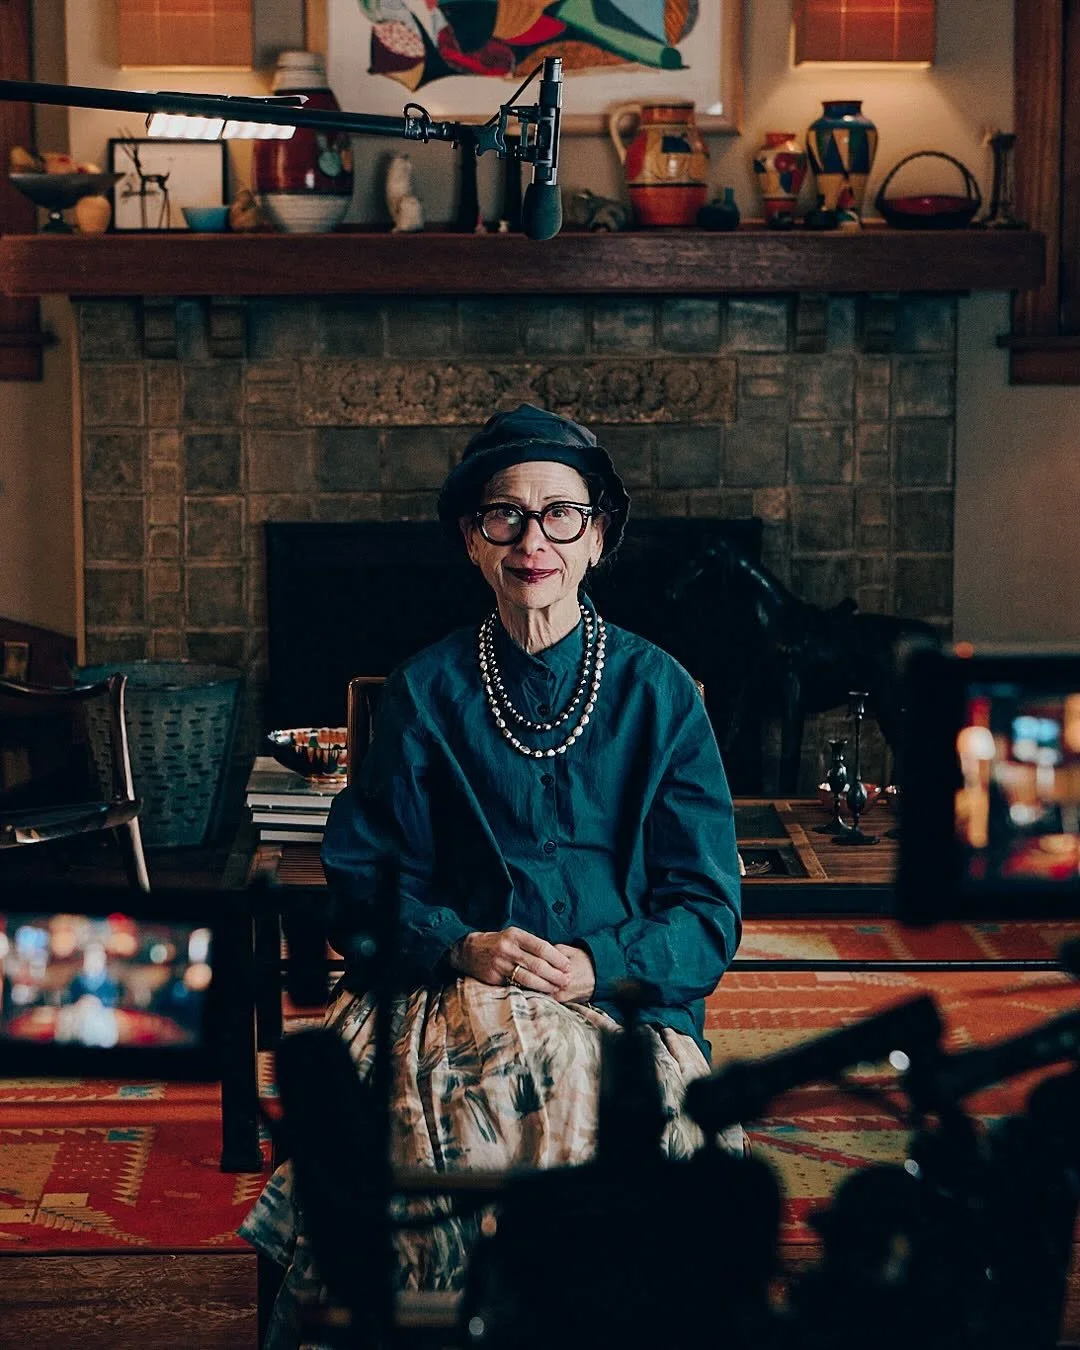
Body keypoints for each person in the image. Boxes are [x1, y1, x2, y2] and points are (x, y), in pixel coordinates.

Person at [240, 403, 743, 1344]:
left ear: (598, 538)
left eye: (561, 515)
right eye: (504, 515)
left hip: (621, 1002)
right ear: (472, 541)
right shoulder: (428, 690)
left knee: (587, 1107)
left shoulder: (662, 694)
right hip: (448, 991)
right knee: (391, 1120)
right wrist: (460, 945)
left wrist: (599, 963)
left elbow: (708, 912)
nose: (532, 539)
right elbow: (363, 884)